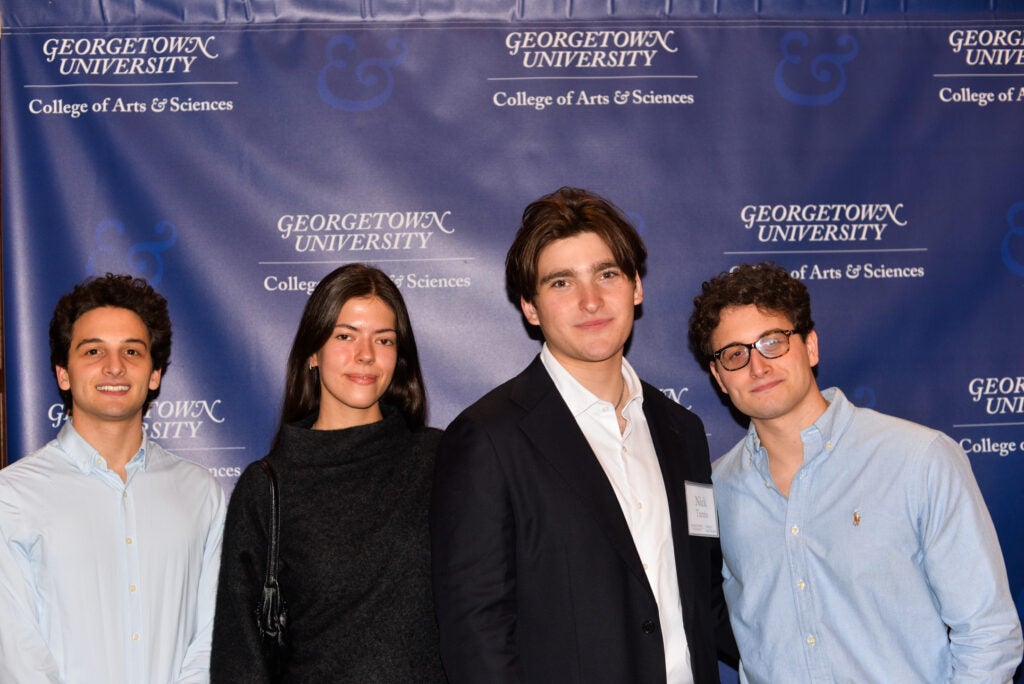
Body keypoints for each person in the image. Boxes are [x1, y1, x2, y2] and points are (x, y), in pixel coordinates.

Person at [431, 187, 737, 684]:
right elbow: (475, 634)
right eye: (560, 283)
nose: (590, 300)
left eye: (607, 274)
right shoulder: (487, 438)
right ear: (530, 307)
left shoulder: (682, 430)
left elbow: (705, 595)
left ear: (636, 287)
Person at [688, 261, 1024, 683]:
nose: (758, 366)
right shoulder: (716, 490)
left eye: (773, 342)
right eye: (735, 354)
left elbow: (988, 633)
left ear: (810, 346)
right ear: (719, 377)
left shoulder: (918, 459)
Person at [211, 263, 446, 682]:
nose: (366, 355)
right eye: (345, 335)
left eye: (384, 339)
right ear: (312, 353)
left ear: (400, 357)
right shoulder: (267, 488)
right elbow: (240, 658)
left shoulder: (440, 459)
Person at [0, 273, 226, 683]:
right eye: (92, 351)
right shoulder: (12, 497)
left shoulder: (201, 494)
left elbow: (212, 638)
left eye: (132, 351)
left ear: (154, 374)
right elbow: (15, 653)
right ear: (63, 374)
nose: (115, 367)